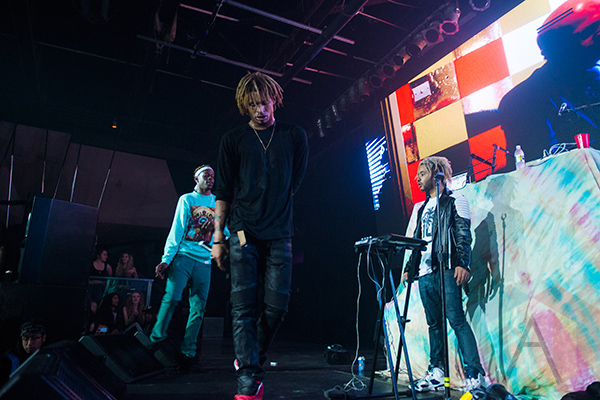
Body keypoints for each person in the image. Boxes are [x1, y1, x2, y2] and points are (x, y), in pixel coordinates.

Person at [211, 71, 309, 400]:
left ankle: (249, 355)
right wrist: (218, 238)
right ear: (244, 105)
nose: (260, 110)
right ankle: (249, 377)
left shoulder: (294, 136)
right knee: (242, 308)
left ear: (274, 100)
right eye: (252, 105)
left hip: (280, 232)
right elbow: (223, 192)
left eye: (264, 103)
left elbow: (294, 182)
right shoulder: (233, 140)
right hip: (241, 232)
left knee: (277, 307)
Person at [402, 156, 485, 393]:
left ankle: (474, 374)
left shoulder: (455, 199)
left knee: (456, 319)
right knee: (434, 324)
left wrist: (462, 263)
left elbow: (463, 233)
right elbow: (418, 239)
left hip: (447, 267)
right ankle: (436, 372)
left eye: (422, 173)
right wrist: (409, 268)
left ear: (436, 173)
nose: (417, 178)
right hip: (425, 272)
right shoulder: (421, 208)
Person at [498, 0, 600, 161]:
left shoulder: (592, 76)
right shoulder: (520, 101)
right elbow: (541, 166)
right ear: (565, 47)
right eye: (592, 33)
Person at [150, 164, 225, 371]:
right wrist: (166, 259)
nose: (210, 179)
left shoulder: (217, 203)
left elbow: (226, 230)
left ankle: (188, 351)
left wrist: (242, 240)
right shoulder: (187, 200)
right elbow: (177, 230)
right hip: (184, 256)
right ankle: (156, 338)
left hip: (204, 262)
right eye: (206, 175)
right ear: (196, 179)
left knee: (198, 309)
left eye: (212, 176)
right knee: (172, 298)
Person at [1, 320, 47, 386]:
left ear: (43, 338)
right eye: (25, 338)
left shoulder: (51, 356)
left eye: (34, 338)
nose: (29, 343)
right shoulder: (8, 360)